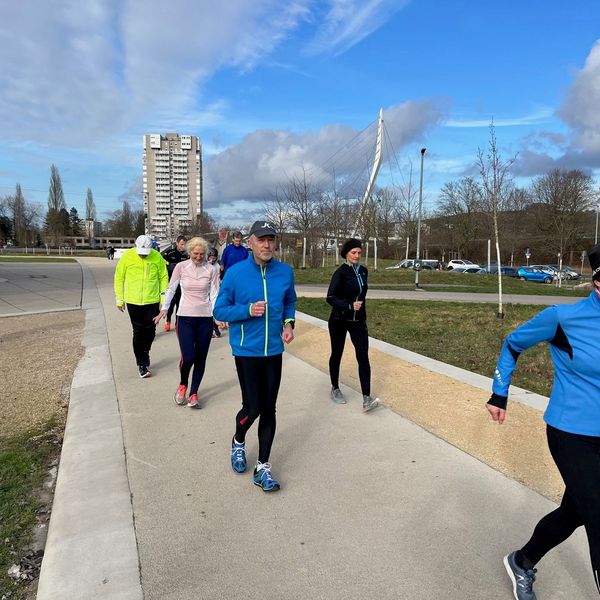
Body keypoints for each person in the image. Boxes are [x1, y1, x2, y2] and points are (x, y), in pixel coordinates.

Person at [487, 245, 600, 600]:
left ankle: (522, 561)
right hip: (571, 432)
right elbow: (512, 344)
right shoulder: (563, 318)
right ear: (596, 283)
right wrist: (499, 393)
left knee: (575, 513)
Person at [214, 220, 296, 492]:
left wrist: (288, 324)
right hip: (246, 350)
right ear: (250, 242)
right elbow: (220, 311)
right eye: (261, 239)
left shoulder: (284, 272)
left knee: (269, 407)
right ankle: (238, 441)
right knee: (253, 407)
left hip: (273, 350)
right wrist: (247, 310)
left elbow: (289, 302)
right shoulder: (236, 274)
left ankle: (263, 467)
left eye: (271, 239)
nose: (267, 244)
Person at [154, 237, 222, 408]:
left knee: (201, 358)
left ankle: (194, 392)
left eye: (201, 254)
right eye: (195, 253)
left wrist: (218, 315)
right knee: (189, 356)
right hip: (185, 317)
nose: (199, 257)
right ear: (189, 252)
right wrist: (164, 309)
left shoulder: (211, 270)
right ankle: (183, 384)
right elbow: (171, 288)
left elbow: (215, 294)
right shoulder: (181, 267)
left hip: (205, 318)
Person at [326, 238, 378, 412]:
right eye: (353, 253)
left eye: (359, 252)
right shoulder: (340, 273)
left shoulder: (363, 271)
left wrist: (359, 310)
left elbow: (361, 295)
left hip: (358, 321)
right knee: (337, 353)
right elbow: (330, 298)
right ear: (346, 254)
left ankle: (366, 398)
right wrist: (349, 305)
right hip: (339, 320)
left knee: (363, 356)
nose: (356, 256)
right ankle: (335, 387)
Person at [114, 234, 168, 378]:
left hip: (152, 301)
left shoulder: (157, 257)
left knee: (150, 332)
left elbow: (163, 277)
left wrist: (163, 298)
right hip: (133, 301)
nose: (143, 256)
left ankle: (145, 352)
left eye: (146, 253)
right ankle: (141, 364)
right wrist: (119, 299)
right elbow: (119, 277)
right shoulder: (127, 257)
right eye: (141, 253)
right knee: (138, 332)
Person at [161, 235, 188, 332]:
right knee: (171, 304)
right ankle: (168, 320)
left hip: (183, 283)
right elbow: (162, 265)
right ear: (177, 243)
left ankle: (178, 323)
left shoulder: (187, 255)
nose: (183, 246)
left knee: (180, 304)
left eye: (185, 245)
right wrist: (170, 267)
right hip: (172, 282)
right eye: (181, 244)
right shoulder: (169, 253)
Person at [207, 247, 223, 338]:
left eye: (214, 258)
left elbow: (222, 276)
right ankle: (210, 329)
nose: (212, 259)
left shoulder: (218, 265)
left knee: (215, 309)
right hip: (207, 290)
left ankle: (215, 328)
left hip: (216, 290)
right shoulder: (205, 265)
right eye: (211, 257)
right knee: (208, 311)